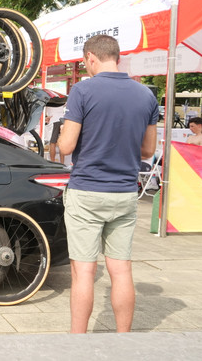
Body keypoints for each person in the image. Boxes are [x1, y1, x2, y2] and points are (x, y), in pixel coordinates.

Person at [57, 35, 158, 334]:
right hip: (125, 193)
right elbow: (148, 151)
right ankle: (122, 341)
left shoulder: (83, 90)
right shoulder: (146, 95)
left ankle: (78, 342)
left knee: (83, 271)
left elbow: (65, 147)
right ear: (118, 56)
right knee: (122, 269)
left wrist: (67, 131)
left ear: (91, 57)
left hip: (87, 191)